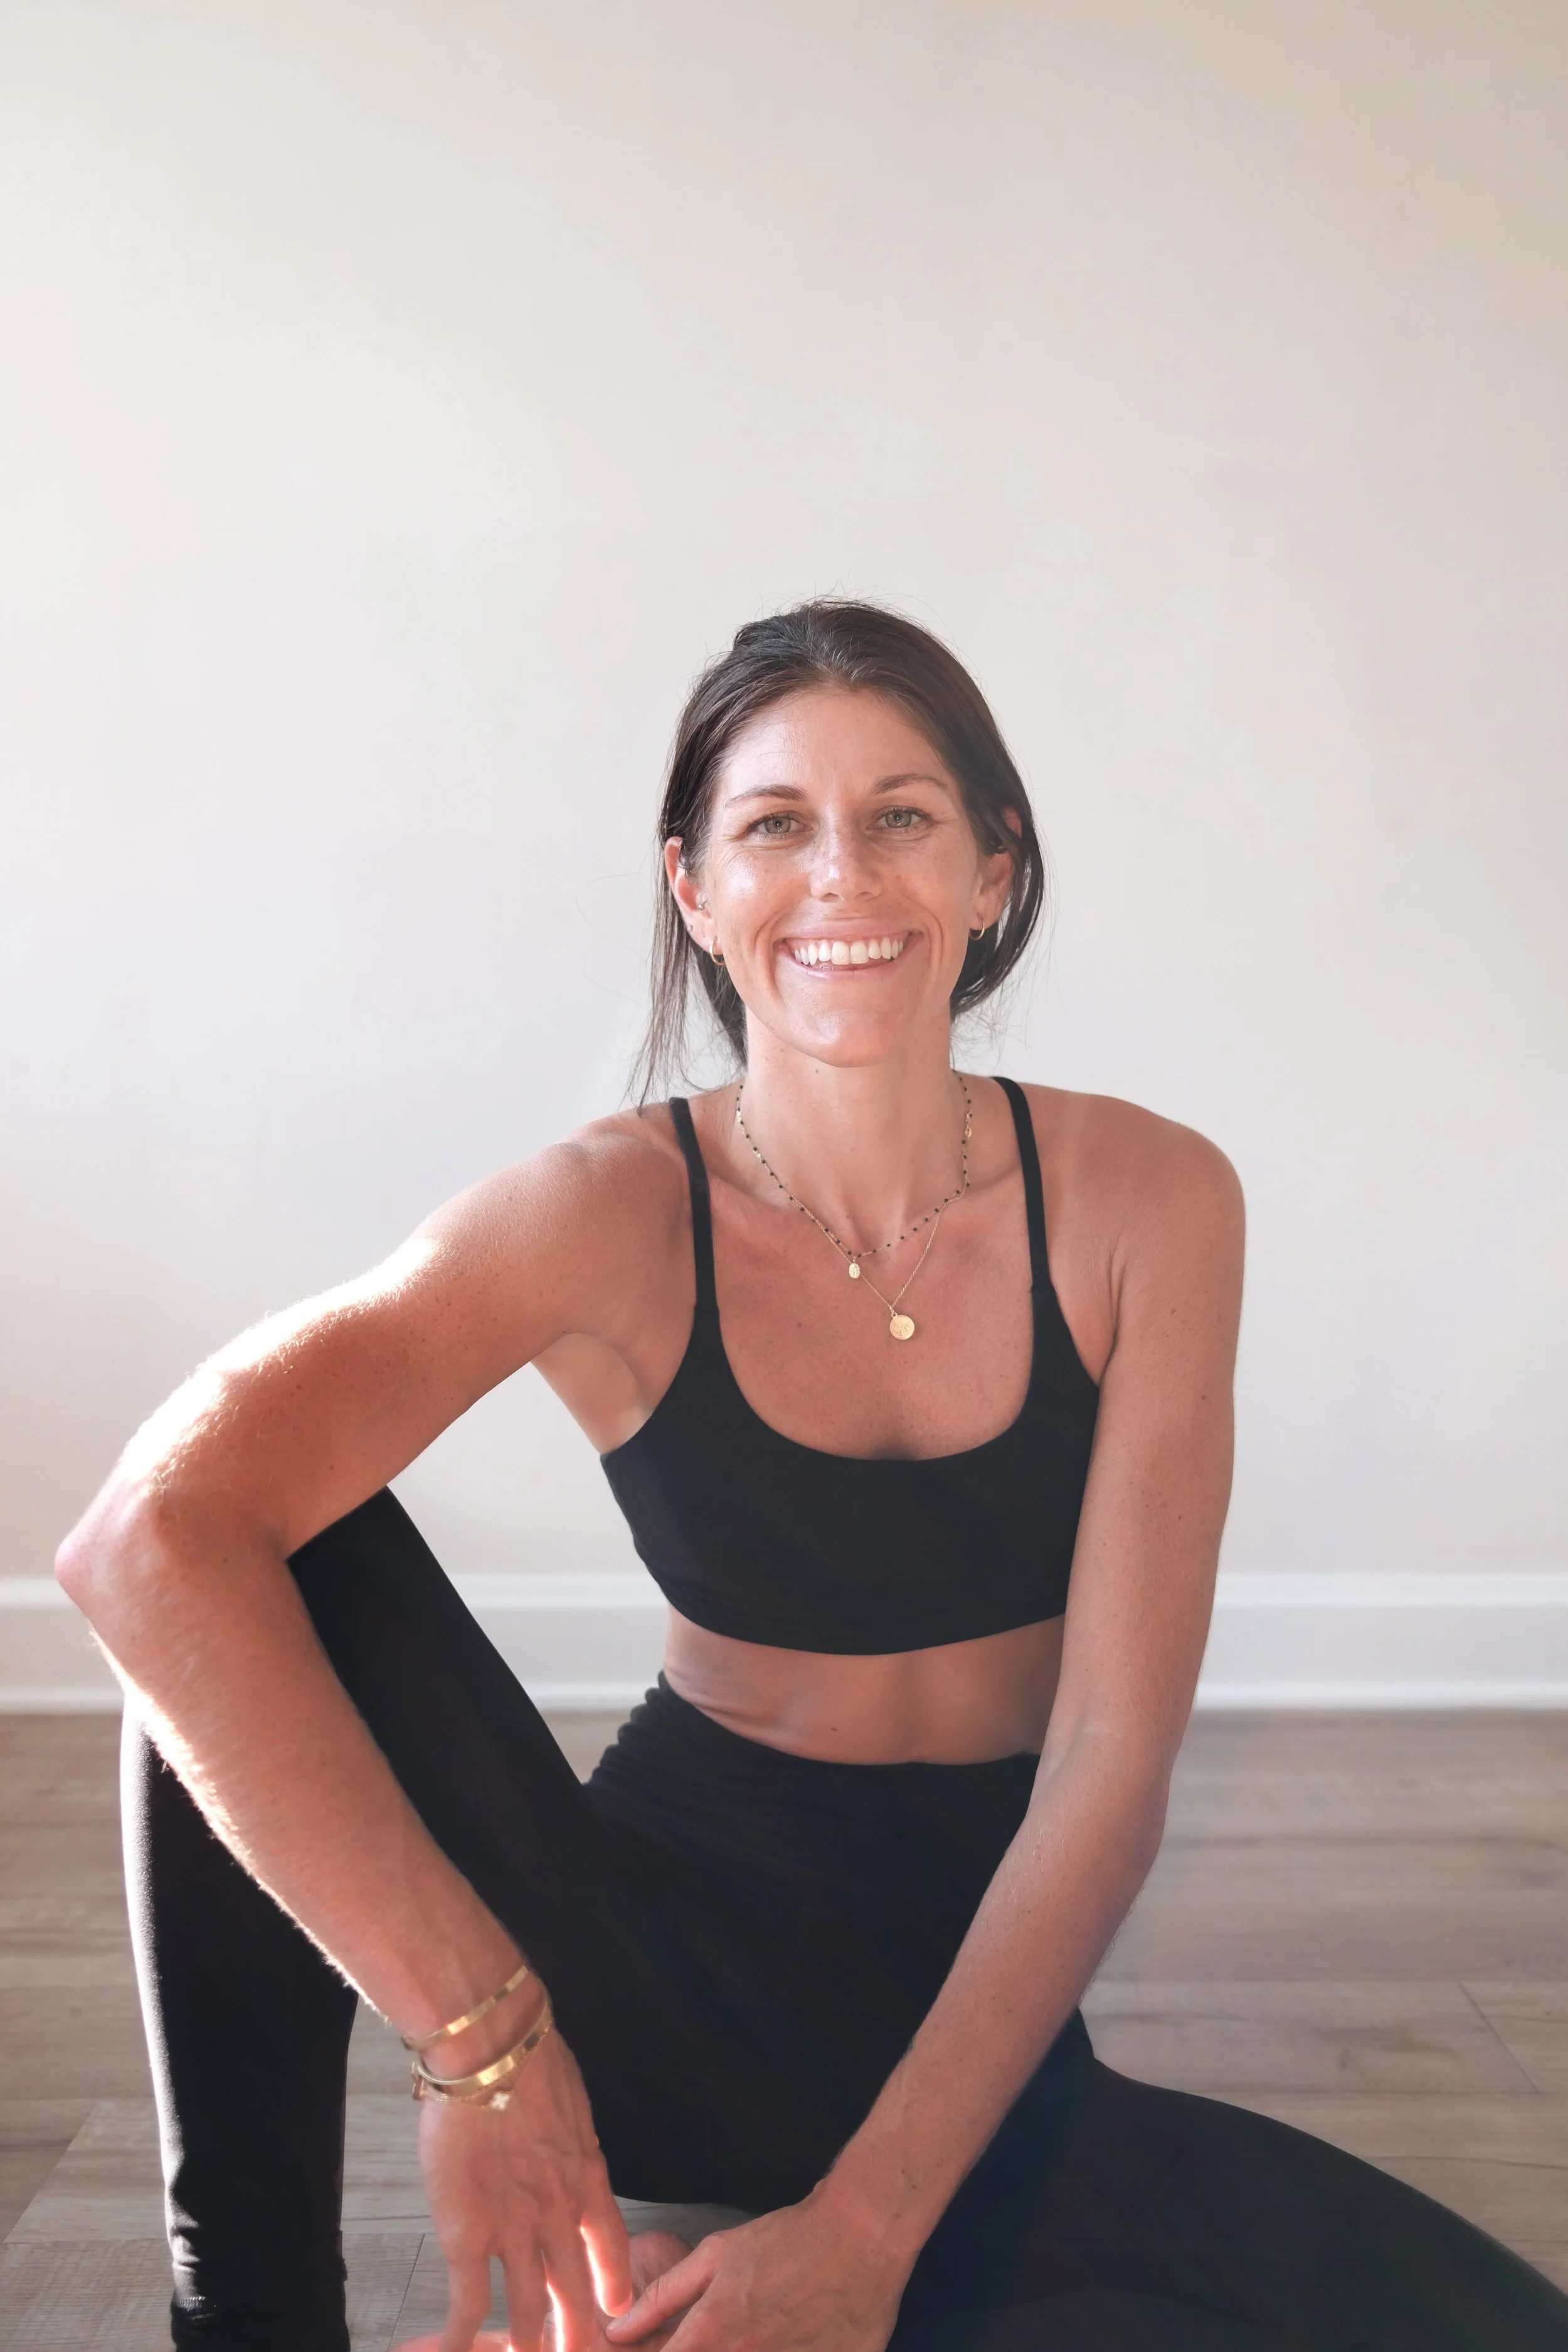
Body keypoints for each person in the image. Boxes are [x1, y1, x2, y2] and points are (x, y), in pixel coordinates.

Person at [59, 602, 1568, 2352]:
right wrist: (481, 2046)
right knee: (266, 1567)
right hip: (649, 1969)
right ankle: (242, 2319)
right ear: (695, 886)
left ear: (995, 869)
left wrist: (859, 2229)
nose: (840, 875)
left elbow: (1106, 1762)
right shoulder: (599, 1211)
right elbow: (142, 1540)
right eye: (774, 823)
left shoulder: (1152, 1202)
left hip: (976, 2015)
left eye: (903, 815)